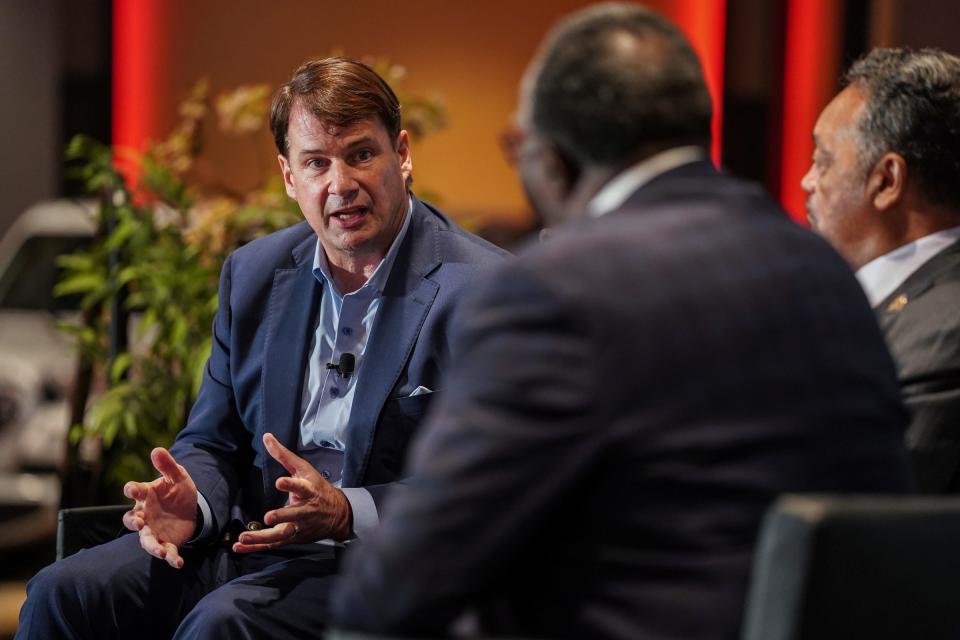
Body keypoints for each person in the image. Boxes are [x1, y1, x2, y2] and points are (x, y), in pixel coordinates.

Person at [330, 5, 914, 639]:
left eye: (517, 148)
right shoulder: (827, 274)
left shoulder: (554, 290)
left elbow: (403, 580)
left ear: (552, 160)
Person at [16, 57, 508, 639]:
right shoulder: (253, 274)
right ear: (287, 176)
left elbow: (492, 480)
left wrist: (349, 510)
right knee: (63, 592)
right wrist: (191, 498)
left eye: (361, 154)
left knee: (223, 624)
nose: (340, 183)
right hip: (251, 546)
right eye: (316, 163)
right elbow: (211, 439)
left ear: (401, 155)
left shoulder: (483, 289)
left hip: (391, 565)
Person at [802, 48, 960, 492]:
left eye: (823, 160)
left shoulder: (944, 331)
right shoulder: (869, 305)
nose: (807, 181)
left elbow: (867, 505)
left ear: (887, 181)